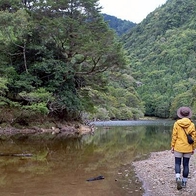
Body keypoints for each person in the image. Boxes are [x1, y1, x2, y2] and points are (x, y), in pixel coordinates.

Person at [171, 106, 196, 190]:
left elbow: (174, 136)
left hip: (178, 147)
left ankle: (178, 178)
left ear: (180, 114)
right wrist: (193, 148)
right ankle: (184, 182)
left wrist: (172, 146)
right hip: (188, 148)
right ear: (188, 115)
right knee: (186, 165)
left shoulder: (177, 123)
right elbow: (194, 138)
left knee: (177, 163)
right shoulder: (192, 124)